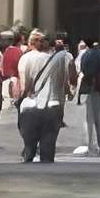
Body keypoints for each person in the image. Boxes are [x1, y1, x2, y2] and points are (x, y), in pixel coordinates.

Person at [13, 28, 74, 163]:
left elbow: (24, 87)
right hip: (53, 106)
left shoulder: (25, 58)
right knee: (48, 147)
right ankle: (48, 176)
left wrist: (18, 100)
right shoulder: (58, 59)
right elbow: (64, 83)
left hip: (31, 107)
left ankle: (30, 178)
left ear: (30, 43)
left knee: (29, 148)